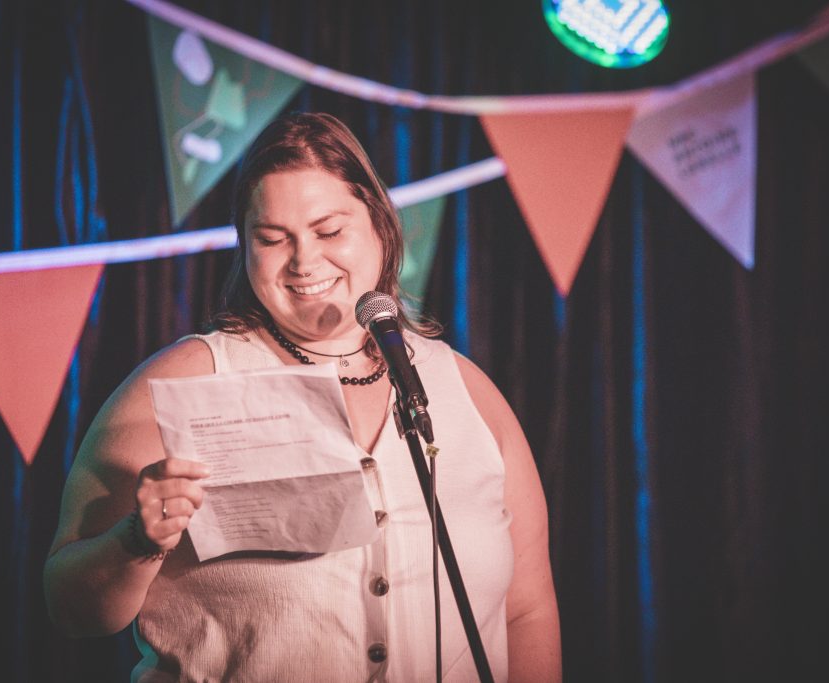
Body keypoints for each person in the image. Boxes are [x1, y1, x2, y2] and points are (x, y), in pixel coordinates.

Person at [44, 112, 560, 682]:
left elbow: (527, 610)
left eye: (329, 230)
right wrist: (133, 543)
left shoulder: (467, 390)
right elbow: (72, 611)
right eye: (272, 239)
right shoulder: (180, 383)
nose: (305, 261)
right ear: (246, 248)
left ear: (382, 228)